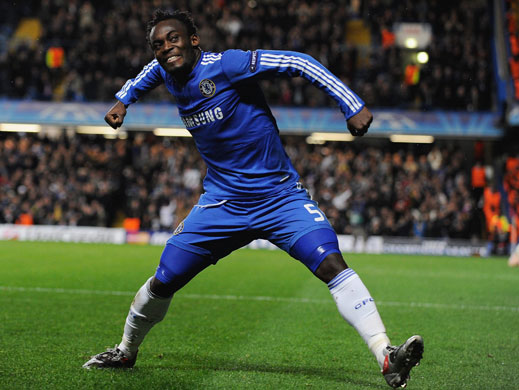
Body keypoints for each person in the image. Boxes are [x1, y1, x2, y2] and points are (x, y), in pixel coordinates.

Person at [83, 10, 423, 388]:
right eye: (158, 45)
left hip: (279, 197)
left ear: (194, 40)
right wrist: (123, 100)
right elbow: (149, 73)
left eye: (173, 39)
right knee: (164, 280)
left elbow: (298, 61)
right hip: (222, 203)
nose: (166, 49)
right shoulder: (164, 69)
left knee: (331, 263)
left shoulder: (227, 65)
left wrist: (352, 104)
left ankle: (386, 356)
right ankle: (126, 351)